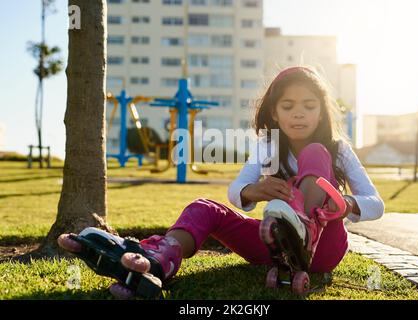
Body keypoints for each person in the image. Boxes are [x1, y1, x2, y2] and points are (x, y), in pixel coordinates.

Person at [58, 66, 384, 299]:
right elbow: (235, 191)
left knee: (314, 152)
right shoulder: (269, 147)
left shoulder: (337, 149)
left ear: (322, 112)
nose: (299, 114)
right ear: (274, 113)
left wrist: (343, 205)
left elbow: (375, 203)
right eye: (288, 106)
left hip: (324, 249)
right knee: (204, 207)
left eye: (309, 106)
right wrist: (254, 190)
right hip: (277, 246)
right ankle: (161, 259)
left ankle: (305, 231)